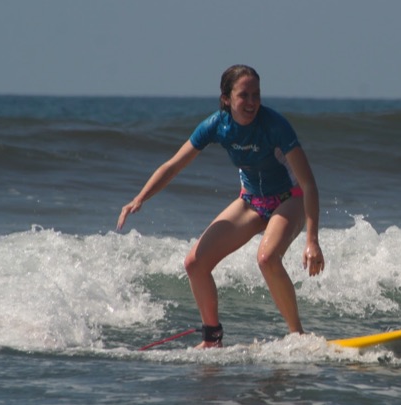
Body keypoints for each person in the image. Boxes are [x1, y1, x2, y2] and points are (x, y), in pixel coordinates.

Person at [117, 64, 325, 348]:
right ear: (227, 98)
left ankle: (298, 336)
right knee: (194, 263)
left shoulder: (275, 126)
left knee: (267, 258)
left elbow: (309, 184)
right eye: (244, 95)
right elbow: (174, 164)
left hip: (290, 199)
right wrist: (139, 198)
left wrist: (312, 240)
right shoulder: (217, 125)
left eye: (256, 94)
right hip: (251, 201)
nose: (252, 102)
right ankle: (212, 338)